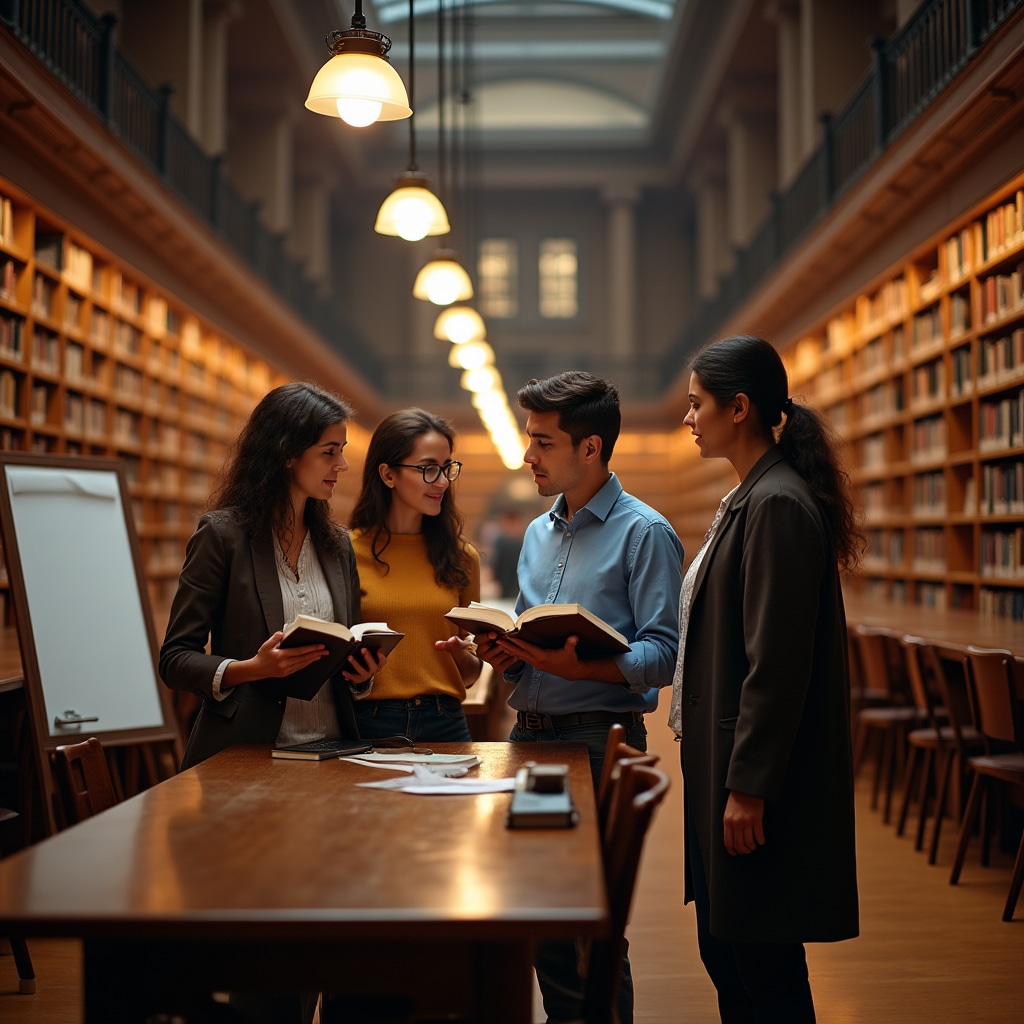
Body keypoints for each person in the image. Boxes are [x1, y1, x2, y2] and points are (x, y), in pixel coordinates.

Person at [475, 370, 684, 1024]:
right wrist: (506, 656)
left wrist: (586, 667)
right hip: (528, 737)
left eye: (543, 442)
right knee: (539, 918)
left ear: (590, 448)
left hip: (597, 741)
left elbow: (665, 655)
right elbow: (532, 643)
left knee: (588, 932)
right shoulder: (538, 534)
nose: (527, 456)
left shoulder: (645, 532)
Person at [670, 334, 862, 1023]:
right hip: (723, 766)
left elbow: (775, 663)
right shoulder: (752, 495)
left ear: (739, 408)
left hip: (749, 780)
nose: (688, 417)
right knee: (730, 954)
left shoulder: (776, 503)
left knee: (762, 964)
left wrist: (748, 787)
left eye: (697, 404)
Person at [347, 408, 482, 742]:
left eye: (446, 468)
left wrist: (459, 653)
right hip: (367, 721)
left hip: (445, 721)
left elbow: (470, 676)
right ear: (388, 475)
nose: (443, 481)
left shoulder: (462, 558)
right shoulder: (345, 553)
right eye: (428, 469)